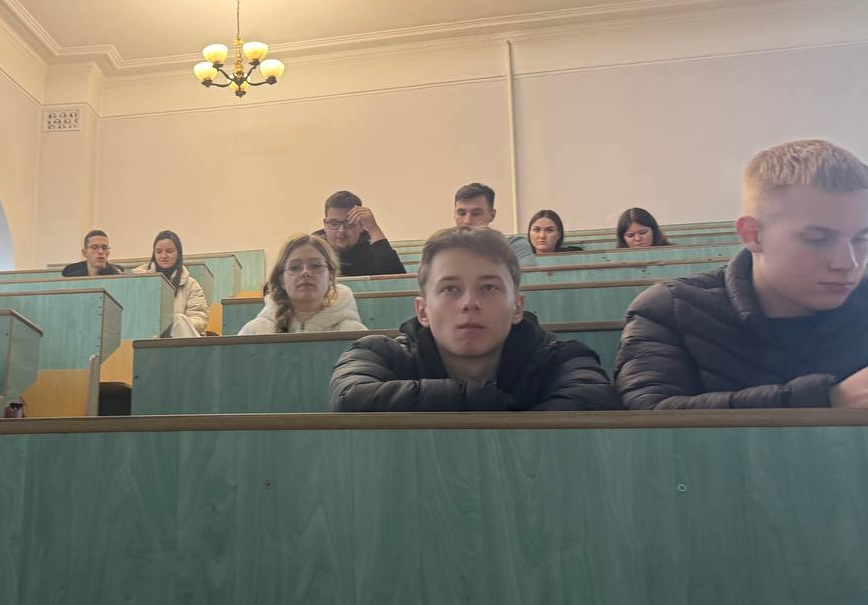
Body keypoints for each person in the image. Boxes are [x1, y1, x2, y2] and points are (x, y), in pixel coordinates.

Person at [616, 139, 868, 409]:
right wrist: (830, 400)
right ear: (753, 234)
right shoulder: (669, 309)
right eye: (817, 239)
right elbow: (648, 412)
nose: (848, 262)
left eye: (862, 238)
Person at [329, 227, 620, 411]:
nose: (469, 303)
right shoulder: (378, 354)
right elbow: (350, 398)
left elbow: (592, 401)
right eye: (450, 289)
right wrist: (490, 399)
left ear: (517, 307)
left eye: (489, 287)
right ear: (423, 311)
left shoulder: (564, 358)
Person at [239, 235, 367, 335]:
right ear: (281, 280)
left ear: (331, 276)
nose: (305, 272)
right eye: (294, 267)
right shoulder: (255, 331)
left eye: (316, 265)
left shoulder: (354, 332)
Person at [132, 230, 209, 337]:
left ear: (178, 254)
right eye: (159, 251)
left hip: (178, 338)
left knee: (178, 319)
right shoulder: (139, 281)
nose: (164, 256)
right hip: (146, 337)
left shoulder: (191, 284)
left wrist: (175, 324)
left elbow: (200, 318)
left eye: (169, 251)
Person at [313, 190, 406, 276]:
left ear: (361, 225)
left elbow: (398, 281)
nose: (341, 230)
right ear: (325, 224)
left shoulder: (373, 247)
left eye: (349, 224)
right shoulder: (313, 247)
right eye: (334, 224)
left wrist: (373, 228)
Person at [453, 183, 535, 263]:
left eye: (476, 214)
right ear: (454, 215)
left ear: (492, 215)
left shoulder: (514, 245)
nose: (467, 221)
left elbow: (525, 272)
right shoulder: (446, 247)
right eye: (461, 213)